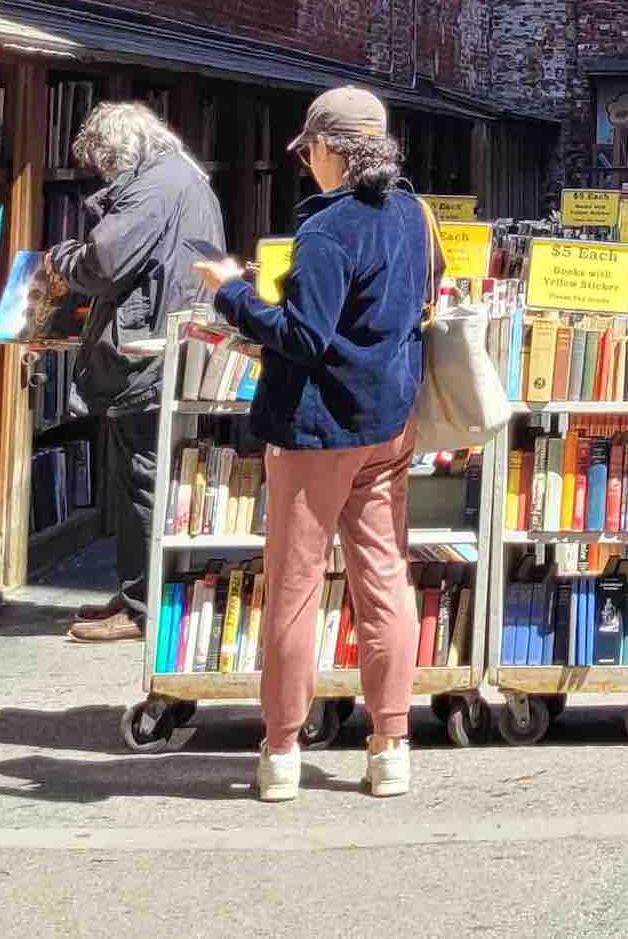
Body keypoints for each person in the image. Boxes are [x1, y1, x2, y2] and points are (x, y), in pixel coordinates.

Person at [192, 87, 433, 802]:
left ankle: (282, 750)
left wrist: (232, 291)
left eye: (307, 151)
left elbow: (303, 336)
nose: (306, 165)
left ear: (330, 147)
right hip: (387, 421)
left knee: (295, 589)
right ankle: (391, 745)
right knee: (384, 579)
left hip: (319, 428)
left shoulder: (328, 231)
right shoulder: (411, 214)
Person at [54, 102, 227, 644]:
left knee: (144, 480)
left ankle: (144, 608)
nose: (104, 177)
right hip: (175, 342)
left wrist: (62, 260)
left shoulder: (153, 186)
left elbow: (104, 264)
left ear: (119, 153)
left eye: (105, 166)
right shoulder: (185, 177)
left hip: (147, 351)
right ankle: (139, 592)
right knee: (152, 474)